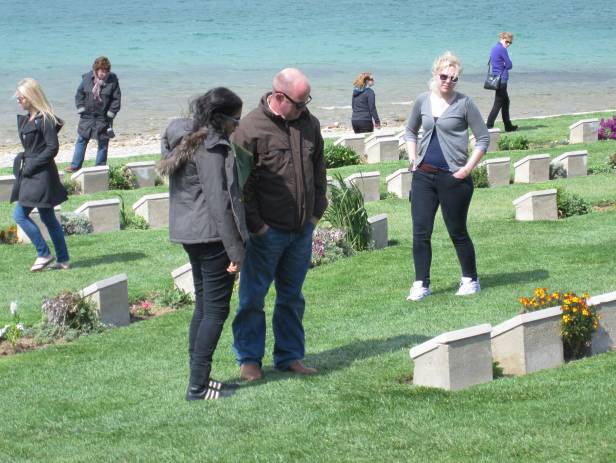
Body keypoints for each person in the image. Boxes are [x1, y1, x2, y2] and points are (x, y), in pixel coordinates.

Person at [231, 68, 328, 381]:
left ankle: (289, 357)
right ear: (278, 97)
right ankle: (249, 360)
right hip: (266, 233)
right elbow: (241, 186)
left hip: (300, 231)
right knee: (252, 299)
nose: (304, 108)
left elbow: (319, 170)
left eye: (306, 101)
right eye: (299, 103)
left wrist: (315, 213)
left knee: (292, 297)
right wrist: (258, 227)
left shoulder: (309, 124)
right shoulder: (249, 129)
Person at [159, 88, 247, 401]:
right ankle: (197, 386)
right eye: (235, 120)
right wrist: (236, 251)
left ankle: (201, 377)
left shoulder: (186, 134)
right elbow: (218, 202)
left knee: (204, 305)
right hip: (211, 236)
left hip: (190, 233)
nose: (237, 126)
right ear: (221, 118)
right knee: (215, 311)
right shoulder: (210, 146)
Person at [404, 52, 489, 301]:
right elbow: (410, 131)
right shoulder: (422, 101)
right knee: (420, 232)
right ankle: (421, 283)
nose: (448, 81)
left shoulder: (465, 104)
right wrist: (412, 159)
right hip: (423, 176)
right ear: (435, 74)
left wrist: (466, 169)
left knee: (457, 231)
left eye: (454, 78)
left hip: (454, 179)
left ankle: (470, 279)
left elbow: (483, 138)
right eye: (444, 76)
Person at [10, 78, 70, 272]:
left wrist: (31, 165)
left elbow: (52, 148)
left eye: (21, 97)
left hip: (41, 174)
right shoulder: (29, 117)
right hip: (32, 172)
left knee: (19, 215)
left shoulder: (45, 119)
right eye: (17, 97)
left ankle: (43, 253)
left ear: (31, 96)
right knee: (48, 218)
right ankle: (63, 259)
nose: (18, 100)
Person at [65, 56, 121, 172]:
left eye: (106, 71)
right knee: (81, 140)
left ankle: (100, 168)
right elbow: (79, 94)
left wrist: (111, 113)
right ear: (96, 70)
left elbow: (116, 99)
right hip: (87, 116)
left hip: (103, 118)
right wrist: (81, 108)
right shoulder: (86, 79)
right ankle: (75, 166)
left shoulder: (113, 81)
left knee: (103, 143)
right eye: (101, 71)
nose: (103, 74)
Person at [486, 32, 517, 132]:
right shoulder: (502, 49)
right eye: (507, 41)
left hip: (496, 78)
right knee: (498, 103)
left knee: (505, 102)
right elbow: (509, 65)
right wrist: (505, 63)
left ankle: (508, 126)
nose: (508, 44)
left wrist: (503, 63)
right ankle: (489, 125)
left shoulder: (494, 48)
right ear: (502, 39)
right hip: (502, 79)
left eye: (510, 43)